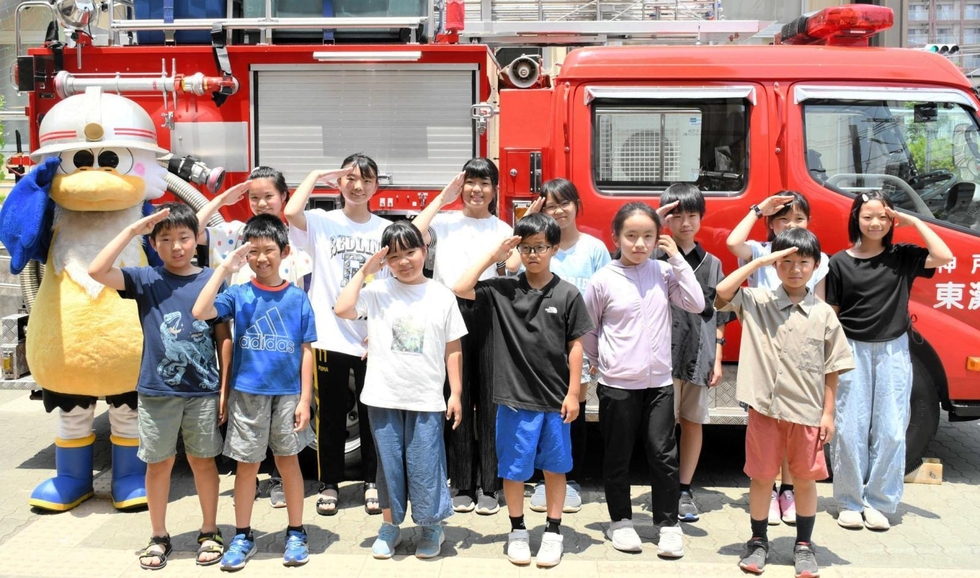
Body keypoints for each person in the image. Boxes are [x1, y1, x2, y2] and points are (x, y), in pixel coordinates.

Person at [88, 203, 227, 570]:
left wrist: (225, 388)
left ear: (196, 239)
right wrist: (131, 231)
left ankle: (210, 530)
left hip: (202, 391)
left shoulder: (211, 278)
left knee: (203, 462)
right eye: (165, 239)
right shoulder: (145, 279)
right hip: (156, 390)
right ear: (153, 243)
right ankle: (159, 535)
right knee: (158, 464)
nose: (176, 246)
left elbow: (223, 337)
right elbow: (97, 270)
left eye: (183, 237)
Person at [452, 213, 593, 568]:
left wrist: (573, 392)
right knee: (513, 471)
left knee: (555, 469)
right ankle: (517, 530)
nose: (533, 254)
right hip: (514, 401)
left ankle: (554, 530)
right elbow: (460, 287)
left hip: (555, 401)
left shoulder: (568, 293)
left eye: (540, 248)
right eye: (526, 248)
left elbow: (576, 345)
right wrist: (495, 255)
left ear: (554, 249)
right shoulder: (503, 289)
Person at [715, 227, 854, 577]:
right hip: (764, 410)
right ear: (775, 265)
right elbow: (721, 292)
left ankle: (804, 545)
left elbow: (832, 369)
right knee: (761, 478)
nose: (794, 269)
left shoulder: (824, 314)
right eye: (786, 262)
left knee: (806, 481)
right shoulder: (757, 301)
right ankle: (758, 541)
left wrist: (828, 414)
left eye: (803, 262)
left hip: (807, 414)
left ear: (816, 266)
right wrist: (759, 260)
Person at [334, 221, 467, 560]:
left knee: (425, 464)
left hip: (425, 397)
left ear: (424, 251)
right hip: (382, 395)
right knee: (388, 466)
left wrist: (456, 393)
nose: (404, 261)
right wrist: (366, 270)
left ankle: (431, 526)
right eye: (394, 256)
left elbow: (453, 347)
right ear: (385, 260)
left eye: (410, 252)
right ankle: (390, 526)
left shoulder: (442, 294)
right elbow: (342, 309)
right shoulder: (377, 292)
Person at [192, 214, 318, 570]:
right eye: (254, 251)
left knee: (288, 462)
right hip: (247, 394)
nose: (262, 258)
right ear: (245, 254)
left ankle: (296, 531)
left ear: (285, 252)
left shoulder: (297, 299)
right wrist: (224, 267)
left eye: (269, 251)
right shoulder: (238, 293)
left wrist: (306, 399)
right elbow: (201, 310)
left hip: (289, 394)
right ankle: (243, 534)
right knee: (246, 467)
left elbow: (307, 350)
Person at [581, 202, 704, 558]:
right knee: (618, 455)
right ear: (616, 237)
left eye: (648, 236)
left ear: (657, 239)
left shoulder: (664, 274)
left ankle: (667, 525)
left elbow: (696, 303)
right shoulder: (603, 279)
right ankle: (620, 521)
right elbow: (590, 328)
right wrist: (599, 362)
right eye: (631, 236)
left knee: (663, 454)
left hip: (659, 384)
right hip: (617, 384)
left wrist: (678, 259)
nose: (639, 244)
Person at [827, 191, 952, 531]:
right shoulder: (839, 262)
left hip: (894, 351)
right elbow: (832, 316)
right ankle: (850, 502)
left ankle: (880, 502)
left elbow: (943, 255)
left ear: (891, 220)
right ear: (856, 219)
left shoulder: (903, 256)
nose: (875, 223)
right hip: (851, 350)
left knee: (893, 431)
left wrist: (912, 221)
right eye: (867, 216)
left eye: (882, 216)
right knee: (850, 430)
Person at [196, 166, 314, 509]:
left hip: (284, 357)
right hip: (242, 336)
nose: (261, 203)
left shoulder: (298, 242)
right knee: (248, 427)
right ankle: (252, 493)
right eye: (253, 197)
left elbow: (306, 302)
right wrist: (221, 199)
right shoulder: (235, 233)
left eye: (269, 196)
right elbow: (192, 230)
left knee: (286, 437)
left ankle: (282, 485)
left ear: (284, 197)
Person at [284, 154, 389, 516]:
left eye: (367, 179)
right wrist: (316, 172)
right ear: (339, 184)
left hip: (368, 337)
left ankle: (373, 482)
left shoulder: (384, 230)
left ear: (377, 186)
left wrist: (379, 331)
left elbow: (390, 286)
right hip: (328, 335)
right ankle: (328, 483)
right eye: (350, 178)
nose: (358, 186)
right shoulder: (320, 222)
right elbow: (291, 210)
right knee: (327, 414)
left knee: (372, 411)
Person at [411, 158, 514, 515]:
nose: (476, 190)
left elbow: (511, 268)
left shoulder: (502, 227)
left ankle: (490, 484)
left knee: (489, 399)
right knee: (454, 395)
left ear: (494, 189)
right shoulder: (444, 221)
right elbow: (412, 234)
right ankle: (461, 483)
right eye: (470, 182)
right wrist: (443, 196)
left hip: (488, 308)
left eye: (485, 183)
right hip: (447, 309)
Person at [725, 190, 829, 525]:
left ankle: (787, 489)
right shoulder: (760, 250)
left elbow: (821, 302)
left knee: (795, 426)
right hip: (764, 347)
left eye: (798, 219)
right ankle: (767, 491)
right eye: (783, 218)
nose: (791, 224)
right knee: (767, 427)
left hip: (799, 346)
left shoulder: (818, 258)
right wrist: (757, 209)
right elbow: (732, 243)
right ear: (771, 223)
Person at [521, 178, 610, 513]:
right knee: (545, 412)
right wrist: (527, 218)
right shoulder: (539, 245)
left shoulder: (594, 249)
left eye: (564, 203)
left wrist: (600, 346)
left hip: (581, 344)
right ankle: (544, 481)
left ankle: (570, 480)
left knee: (575, 410)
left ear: (577, 205)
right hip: (541, 346)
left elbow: (605, 299)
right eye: (549, 205)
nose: (557, 210)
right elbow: (513, 269)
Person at [656, 184, 730, 523]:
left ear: (701, 218)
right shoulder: (653, 259)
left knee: (693, 421)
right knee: (660, 425)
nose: (685, 223)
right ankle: (665, 485)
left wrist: (716, 353)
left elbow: (720, 313)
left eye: (692, 215)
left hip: (697, 355)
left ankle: (685, 489)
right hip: (659, 357)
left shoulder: (712, 263)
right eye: (677, 216)